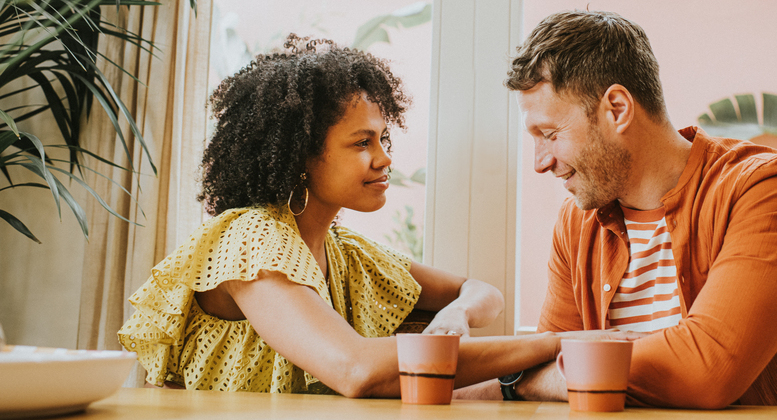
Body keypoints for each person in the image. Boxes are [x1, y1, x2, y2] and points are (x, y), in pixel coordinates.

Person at [117, 35, 634, 396]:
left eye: (383, 138)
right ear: (300, 155)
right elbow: (357, 369)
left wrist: (457, 314)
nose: (384, 158)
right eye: (362, 142)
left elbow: (483, 292)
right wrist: (560, 342)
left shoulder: (345, 254)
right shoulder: (252, 239)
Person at [456, 11, 777, 408]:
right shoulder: (577, 222)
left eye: (549, 134)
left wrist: (525, 383)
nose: (540, 162)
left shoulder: (768, 189)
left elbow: (705, 371)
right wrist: (533, 377)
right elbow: (543, 361)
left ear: (617, 108)